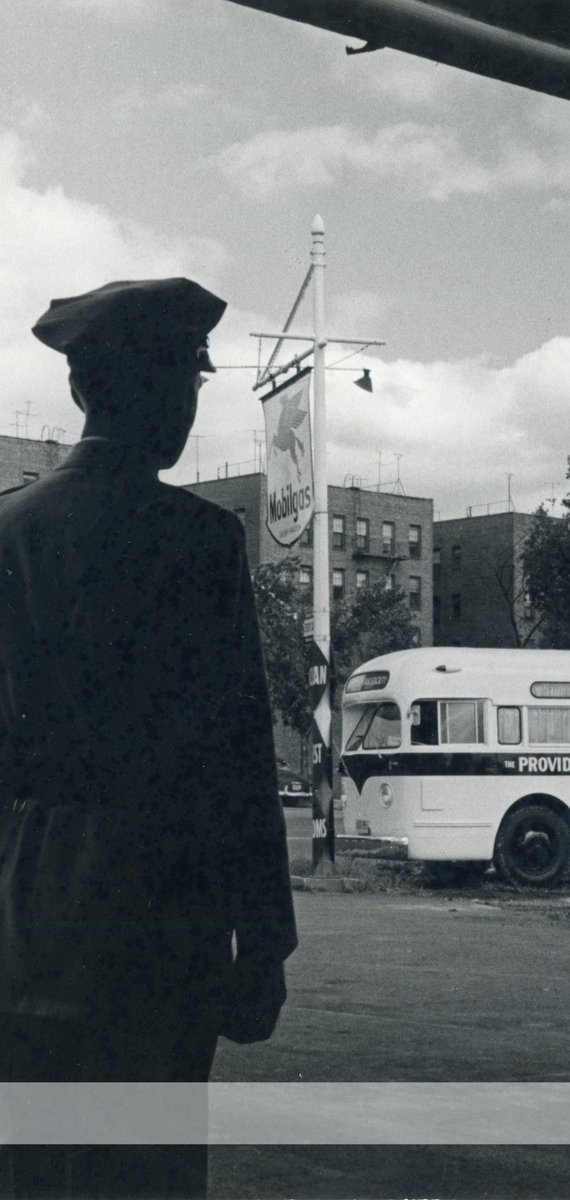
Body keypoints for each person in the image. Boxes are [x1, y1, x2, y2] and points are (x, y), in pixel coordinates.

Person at [0, 278, 298, 1198]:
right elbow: (238, 751)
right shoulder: (199, 540)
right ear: (133, 390)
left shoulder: (8, 530)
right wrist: (267, 939)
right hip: (165, 914)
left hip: (26, 909)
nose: (187, 404)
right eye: (183, 383)